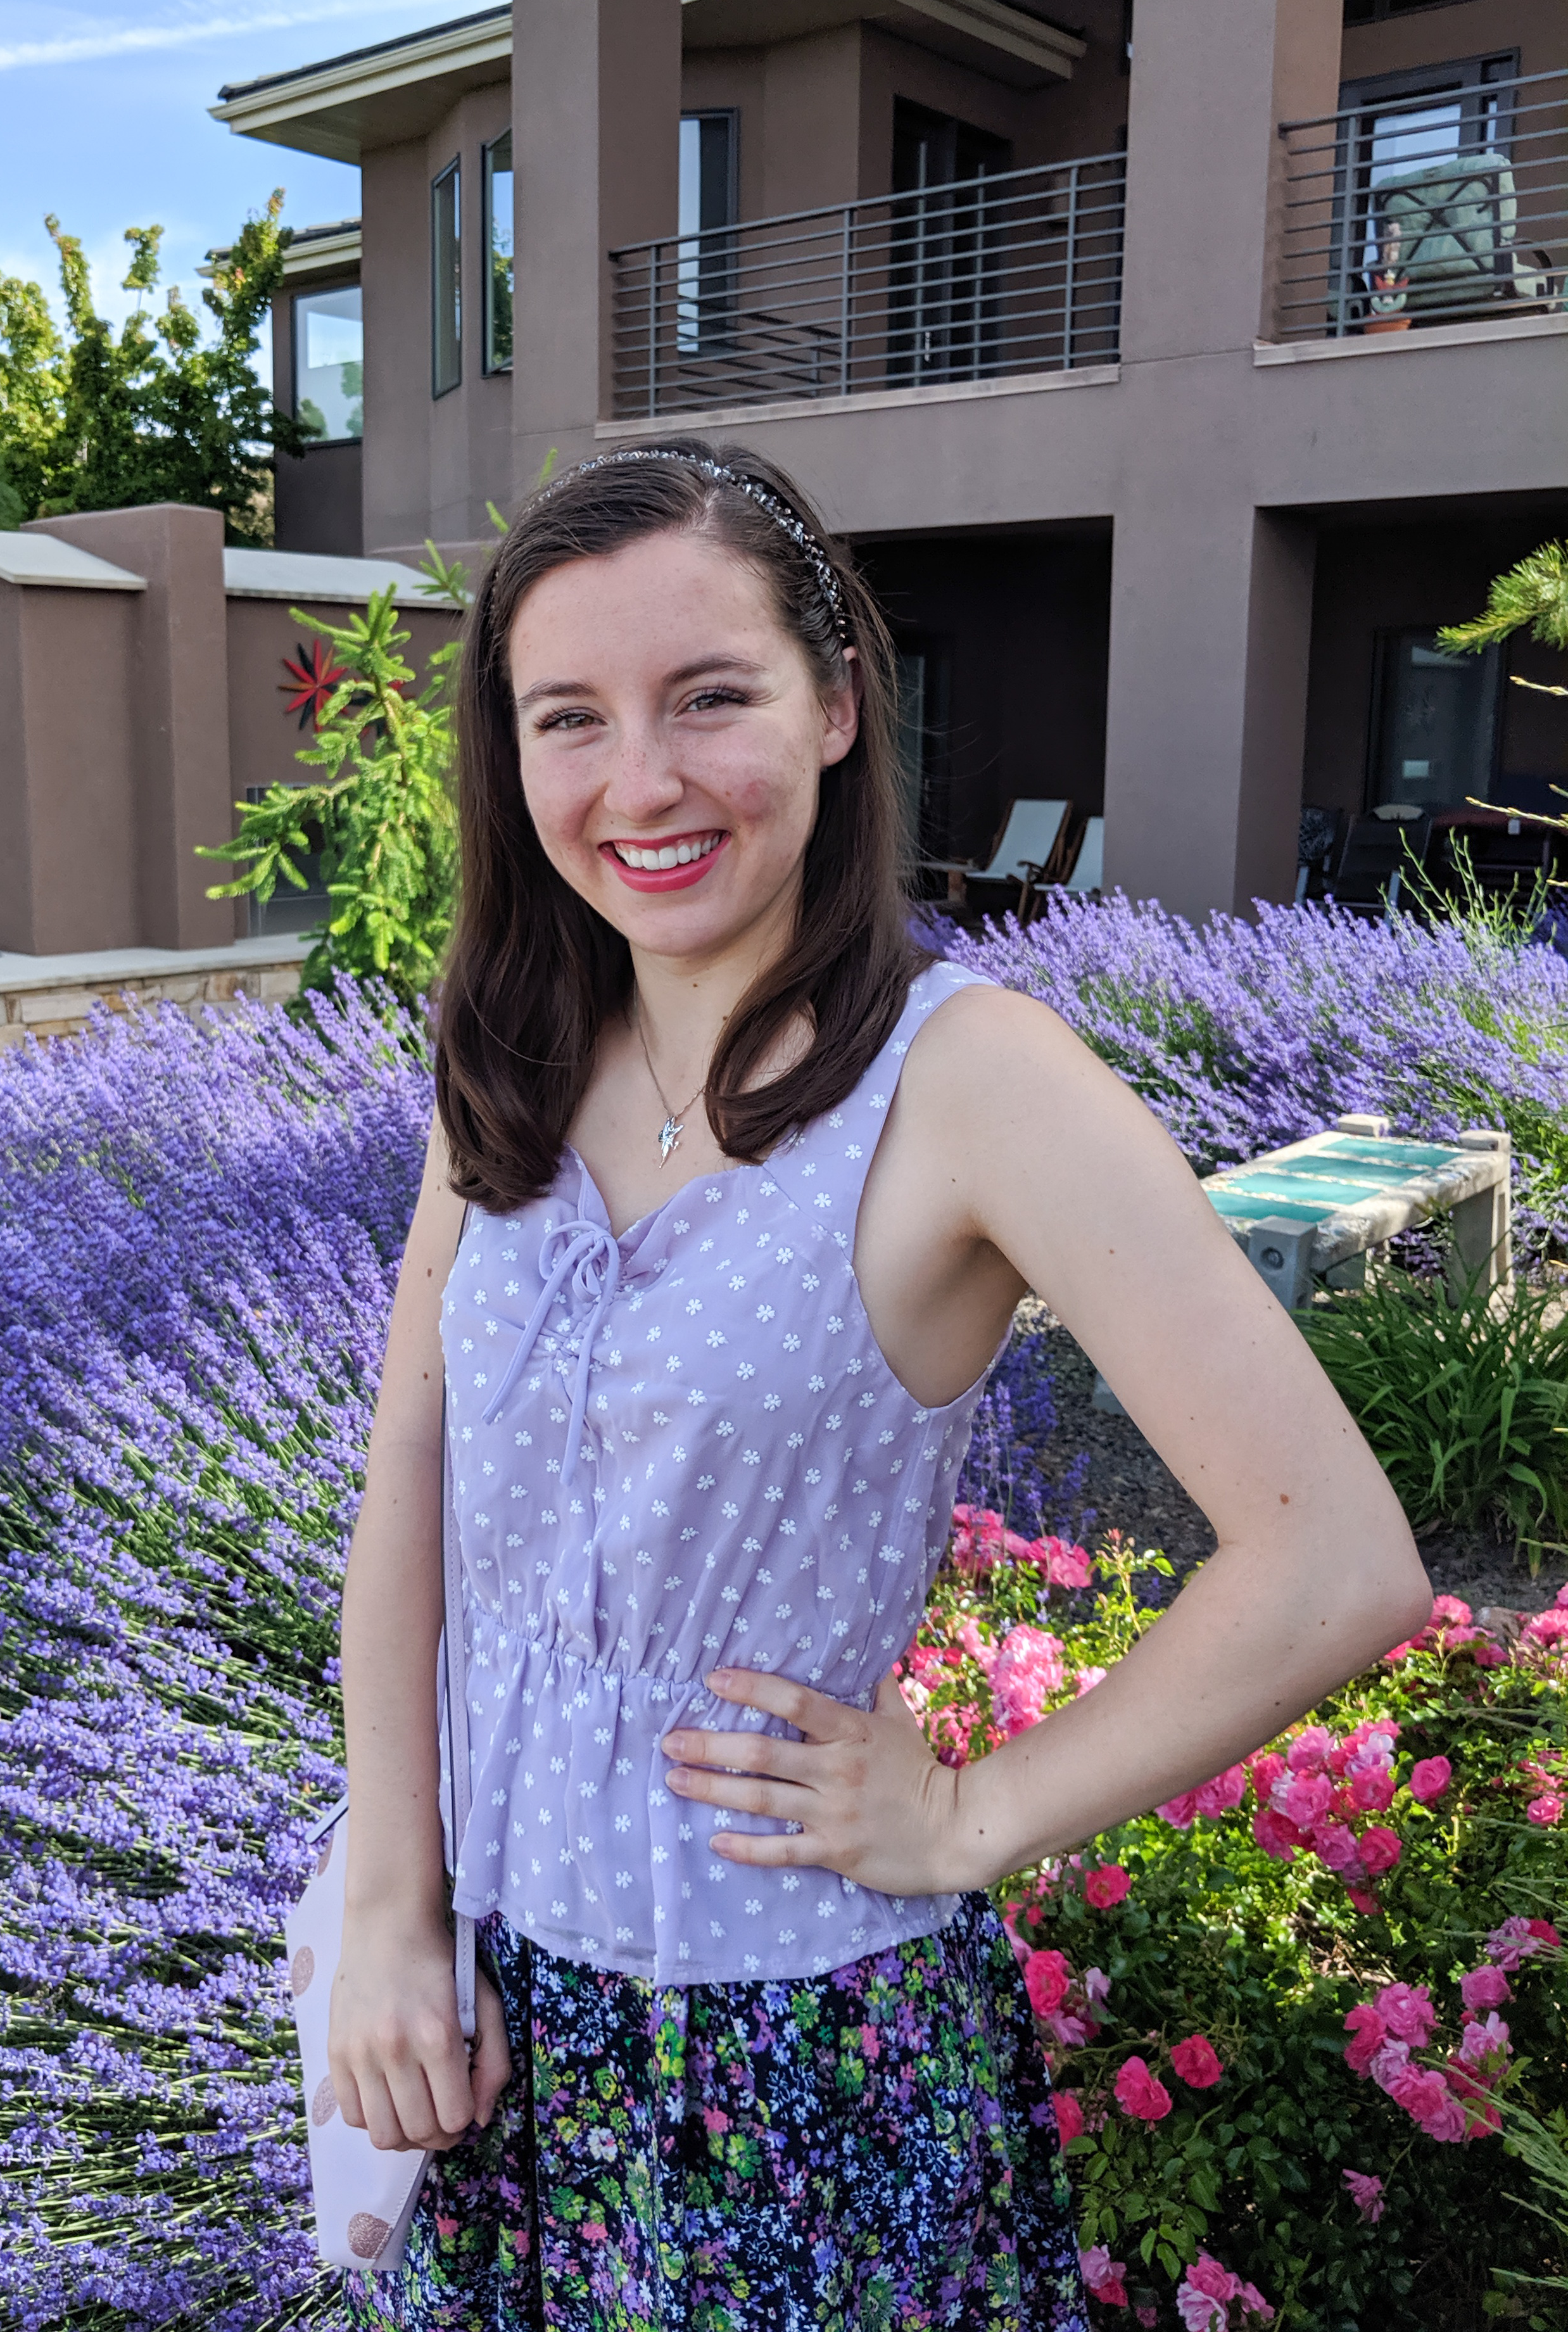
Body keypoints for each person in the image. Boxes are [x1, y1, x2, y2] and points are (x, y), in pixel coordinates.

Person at [329, 439, 1430, 2331]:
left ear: (841, 704)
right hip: (495, 2036)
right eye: (568, 717)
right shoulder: (506, 1056)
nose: (641, 782)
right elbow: (409, 1484)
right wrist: (387, 1913)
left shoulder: (969, 1080)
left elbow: (1336, 1559)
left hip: (792, 2063)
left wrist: (975, 1817)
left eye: (711, 698)